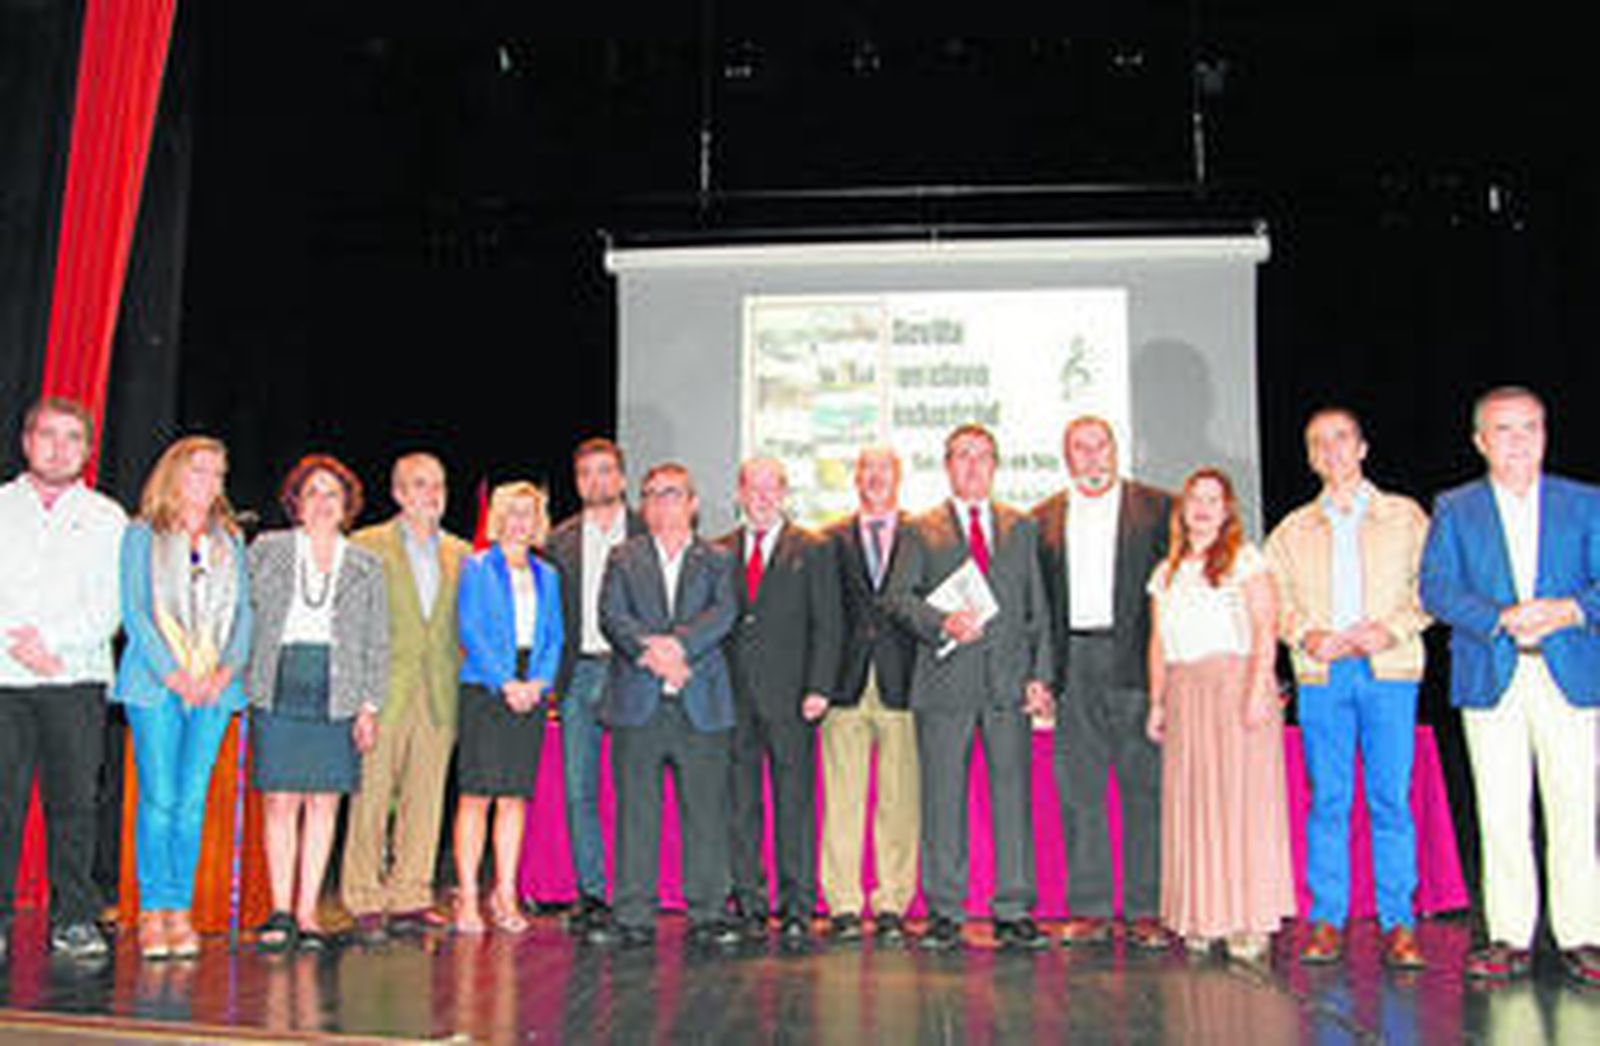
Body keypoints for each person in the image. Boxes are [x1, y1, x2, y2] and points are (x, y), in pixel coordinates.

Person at [1419, 386, 1600, 985]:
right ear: (1480, 441)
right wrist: (1499, 618)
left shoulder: (1585, 502)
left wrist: (1568, 610)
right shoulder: (1455, 507)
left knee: (1574, 808)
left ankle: (1583, 935)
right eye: (1504, 430)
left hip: (1570, 673)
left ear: (1545, 435)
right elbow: (1436, 588)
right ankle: (1509, 936)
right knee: (1500, 811)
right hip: (1491, 672)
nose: (1519, 441)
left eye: (1530, 428)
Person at [1264, 408, 1431, 970]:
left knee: (1391, 800)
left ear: (1362, 447)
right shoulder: (1291, 530)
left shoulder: (1405, 516)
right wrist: (1305, 635)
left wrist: (1391, 629)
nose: (1331, 449)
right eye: (1319, 442)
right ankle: (1327, 919)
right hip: (1323, 674)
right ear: (1310, 457)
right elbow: (1272, 601)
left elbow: (1431, 588)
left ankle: (1399, 922)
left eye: (1341, 438)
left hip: (1389, 671)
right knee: (1329, 800)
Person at [884, 425, 1054, 951]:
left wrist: (1040, 676)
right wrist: (942, 622)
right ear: (947, 465)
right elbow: (898, 598)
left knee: (1012, 799)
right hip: (944, 684)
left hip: (1008, 684)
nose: (973, 465)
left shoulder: (1021, 527)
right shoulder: (919, 528)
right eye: (962, 456)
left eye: (982, 456)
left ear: (996, 465)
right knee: (942, 800)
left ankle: (1014, 909)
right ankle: (945, 910)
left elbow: (1037, 608)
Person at [1032, 416, 1174, 950]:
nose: (1092, 456)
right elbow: (1036, 607)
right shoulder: (1043, 518)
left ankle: (1145, 909)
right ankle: (1090, 909)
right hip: (1072, 664)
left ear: (1116, 449)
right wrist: (1041, 675)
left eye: (1100, 445)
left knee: (1144, 789)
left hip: (1135, 659)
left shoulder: (1159, 508)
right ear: (1067, 457)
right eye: (1080, 448)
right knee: (1080, 791)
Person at [589, 462, 741, 950]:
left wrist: (678, 648)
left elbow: (725, 612)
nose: (661, 502)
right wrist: (654, 657)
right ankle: (633, 914)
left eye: (672, 493)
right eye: (652, 494)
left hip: (701, 703)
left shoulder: (718, 558)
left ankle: (708, 912)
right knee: (636, 813)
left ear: (693, 503)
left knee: (705, 813)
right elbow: (612, 616)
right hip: (638, 704)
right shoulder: (623, 557)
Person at [1145, 468, 1294, 964]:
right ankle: (1203, 915)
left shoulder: (1245, 560)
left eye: (1213, 500)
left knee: (1240, 803)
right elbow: (1159, 642)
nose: (1203, 509)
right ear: (1182, 509)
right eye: (1195, 499)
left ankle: (1248, 920)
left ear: (1227, 508)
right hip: (1186, 692)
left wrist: (1257, 689)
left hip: (1235, 686)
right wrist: (1158, 701)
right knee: (1196, 803)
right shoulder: (1166, 572)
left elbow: (1265, 627)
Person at [114, 435, 251, 960]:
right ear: (173, 473)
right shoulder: (142, 533)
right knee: (159, 798)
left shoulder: (230, 540)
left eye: (218, 473)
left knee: (192, 802)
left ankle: (180, 909)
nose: (210, 482)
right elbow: (135, 611)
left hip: (215, 687)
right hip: (156, 685)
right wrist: (175, 676)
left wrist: (224, 672)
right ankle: (153, 911)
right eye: (199, 470)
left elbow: (245, 614)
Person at [0, 397, 126, 961]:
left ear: (87, 450)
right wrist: (20, 646)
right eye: (47, 435)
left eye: (72, 437)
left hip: (75, 679)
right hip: (4, 678)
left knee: (75, 804)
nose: (58, 448)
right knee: (2, 803)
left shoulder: (107, 518)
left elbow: (110, 605)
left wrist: (49, 643)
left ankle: (75, 917)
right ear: (27, 442)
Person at [246, 455, 388, 953]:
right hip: (278, 683)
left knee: (325, 802)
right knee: (281, 800)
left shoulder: (367, 564)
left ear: (347, 504)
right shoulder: (267, 550)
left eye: (333, 494)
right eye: (313, 493)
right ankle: (281, 910)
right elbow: (245, 616)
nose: (323, 502)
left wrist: (369, 706)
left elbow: (377, 641)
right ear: (296, 503)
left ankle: (308, 912)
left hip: (338, 690)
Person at [340, 453, 471, 945]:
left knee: (426, 797)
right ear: (397, 493)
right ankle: (363, 895)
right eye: (419, 485)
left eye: (438, 485)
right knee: (371, 796)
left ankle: (411, 895)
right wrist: (359, 700)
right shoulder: (365, 545)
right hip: (382, 693)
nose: (431, 495)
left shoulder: (462, 553)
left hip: (438, 693)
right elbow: (350, 627)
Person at [717, 458, 841, 945]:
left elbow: (829, 624)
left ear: (785, 493)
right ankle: (749, 902)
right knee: (740, 805)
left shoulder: (813, 548)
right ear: (740, 493)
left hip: (793, 698)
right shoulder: (720, 551)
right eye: (754, 487)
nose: (763, 497)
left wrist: (820, 687)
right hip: (733, 697)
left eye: (772, 488)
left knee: (794, 804)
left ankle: (796, 905)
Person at [818, 447, 920, 944]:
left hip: (905, 682)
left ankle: (892, 902)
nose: (875, 477)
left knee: (900, 800)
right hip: (845, 681)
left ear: (898, 476)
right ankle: (842, 903)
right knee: (843, 799)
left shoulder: (923, 533)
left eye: (884, 469)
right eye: (867, 470)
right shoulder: (828, 537)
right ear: (855, 478)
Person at [452, 481, 563, 935]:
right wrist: (506, 683)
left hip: (530, 688)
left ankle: (506, 893)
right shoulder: (477, 566)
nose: (520, 522)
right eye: (512, 512)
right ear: (498, 518)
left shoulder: (548, 575)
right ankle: (467, 897)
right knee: (476, 796)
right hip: (485, 687)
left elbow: (554, 636)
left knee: (514, 797)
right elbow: (470, 630)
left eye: (528, 513)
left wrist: (539, 682)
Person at [543, 438, 643, 934]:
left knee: (633, 788)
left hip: (632, 672)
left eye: (605, 471)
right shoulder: (558, 540)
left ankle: (632, 890)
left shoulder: (648, 530)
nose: (595, 481)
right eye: (585, 473)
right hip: (579, 672)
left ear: (622, 478)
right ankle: (593, 892)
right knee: (579, 790)